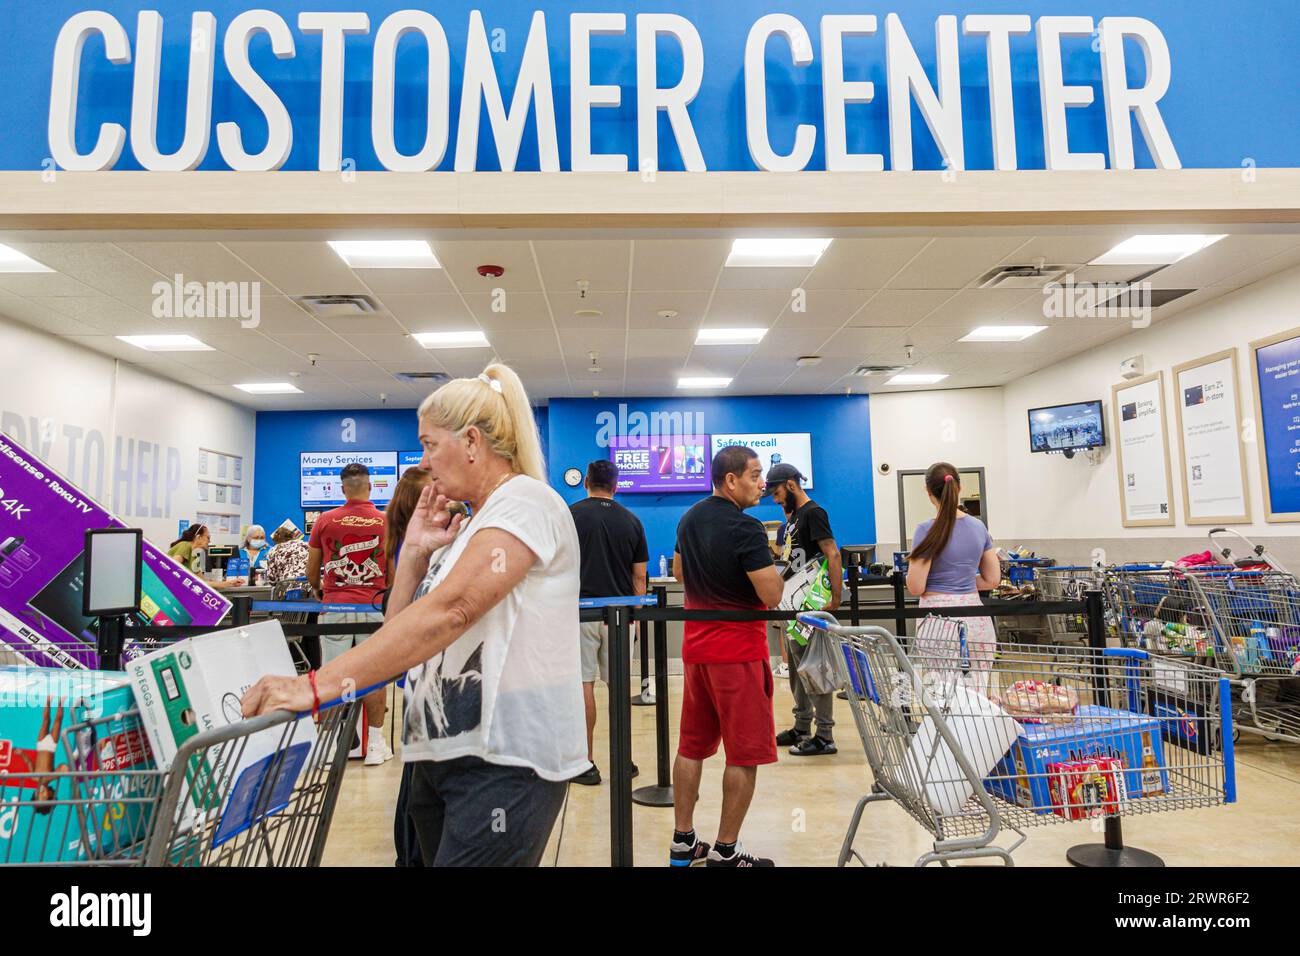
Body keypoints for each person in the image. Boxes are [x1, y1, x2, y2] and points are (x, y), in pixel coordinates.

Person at [242, 363, 586, 867]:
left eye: (429, 444)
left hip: (506, 761)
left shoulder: (526, 503)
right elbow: (403, 636)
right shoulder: (471, 526)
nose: (424, 461)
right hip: (441, 755)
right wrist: (416, 556)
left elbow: (452, 612)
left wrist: (313, 686)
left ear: (471, 442)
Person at [669, 445, 784, 868]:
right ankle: (726, 851)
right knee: (745, 753)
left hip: (696, 650)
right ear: (730, 479)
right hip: (737, 653)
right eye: (754, 475)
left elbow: (680, 573)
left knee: (692, 746)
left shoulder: (689, 518)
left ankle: (683, 841)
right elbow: (771, 595)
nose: (761, 484)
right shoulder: (746, 528)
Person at [307, 462, 392, 767]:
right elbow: (391, 572)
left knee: (332, 676)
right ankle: (377, 746)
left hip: (335, 607)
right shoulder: (385, 521)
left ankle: (329, 746)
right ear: (370, 487)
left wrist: (321, 590)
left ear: (343, 489)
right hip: (372, 607)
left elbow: (311, 571)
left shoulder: (324, 521)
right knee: (375, 675)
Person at [569, 459, 648, 786]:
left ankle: (585, 763)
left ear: (586, 481)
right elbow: (639, 576)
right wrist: (638, 618)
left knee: (583, 686)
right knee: (618, 687)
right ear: (616, 485)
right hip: (620, 616)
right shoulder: (631, 521)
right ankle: (622, 760)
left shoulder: (569, 516)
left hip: (579, 614)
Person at [766, 463, 843, 756]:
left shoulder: (814, 513)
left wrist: (834, 599)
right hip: (791, 605)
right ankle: (802, 726)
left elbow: (832, 553)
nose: (774, 499)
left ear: (790, 484)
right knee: (798, 669)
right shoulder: (791, 521)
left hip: (812, 602)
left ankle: (824, 735)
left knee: (815, 665)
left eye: (776, 492)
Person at [905, 462, 1001, 694]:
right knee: (976, 698)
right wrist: (965, 580)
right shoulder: (979, 527)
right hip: (976, 619)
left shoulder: (926, 530)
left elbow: (916, 587)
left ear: (928, 492)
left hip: (938, 623)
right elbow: (992, 580)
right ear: (959, 487)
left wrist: (942, 583)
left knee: (945, 697)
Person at [383, 466, 434, 868]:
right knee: (419, 778)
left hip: (414, 674)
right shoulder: (420, 550)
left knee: (415, 773)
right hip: (424, 671)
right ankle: (413, 855)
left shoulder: (398, 544)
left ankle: (411, 853)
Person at [167, 524, 246, 589]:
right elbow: (171, 568)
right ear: (198, 537)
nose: (209, 541)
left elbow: (203, 583)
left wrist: (230, 583)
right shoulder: (185, 545)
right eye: (208, 538)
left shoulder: (195, 557)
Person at [265, 520, 310, 586]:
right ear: (292, 535)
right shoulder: (305, 545)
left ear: (276, 540)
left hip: (287, 586)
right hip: (308, 584)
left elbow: (272, 579)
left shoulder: (273, 550)